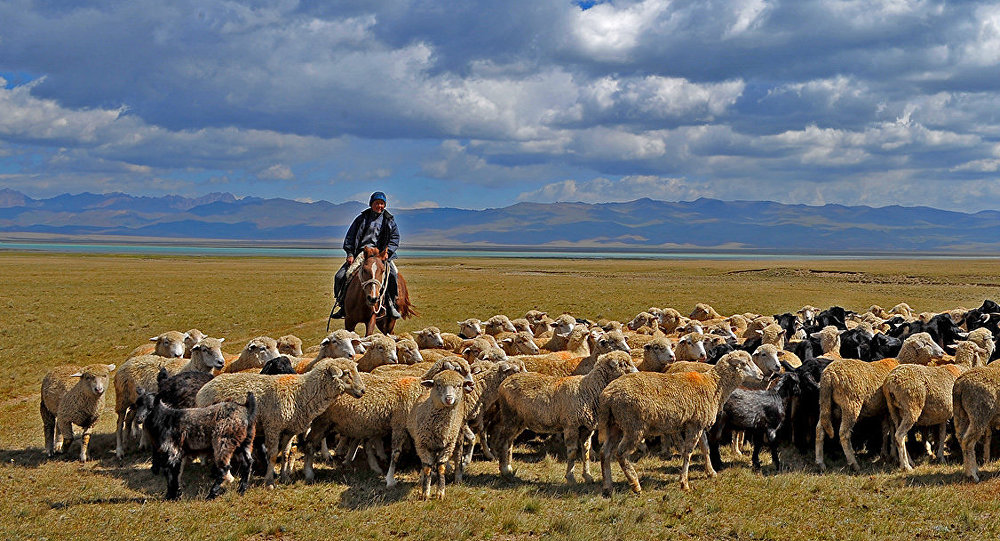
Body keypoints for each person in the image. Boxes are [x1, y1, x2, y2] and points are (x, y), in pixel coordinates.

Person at [331, 191, 401, 319]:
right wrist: (350, 253)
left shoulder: (389, 220)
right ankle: (342, 305)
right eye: (377, 203)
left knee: (393, 275)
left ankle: (391, 304)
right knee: (340, 276)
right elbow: (350, 237)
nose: (379, 206)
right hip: (362, 254)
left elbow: (395, 238)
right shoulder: (361, 218)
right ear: (371, 204)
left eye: (382, 203)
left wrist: (388, 252)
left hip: (381, 255)